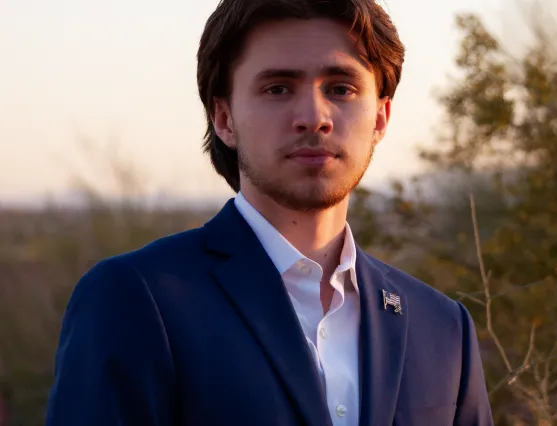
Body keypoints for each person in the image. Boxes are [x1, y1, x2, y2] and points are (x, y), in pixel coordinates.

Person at [45, 0, 493, 425]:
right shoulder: (134, 299)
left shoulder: (443, 327)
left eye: (341, 88)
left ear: (380, 118)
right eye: (278, 88)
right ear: (224, 119)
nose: (313, 117)